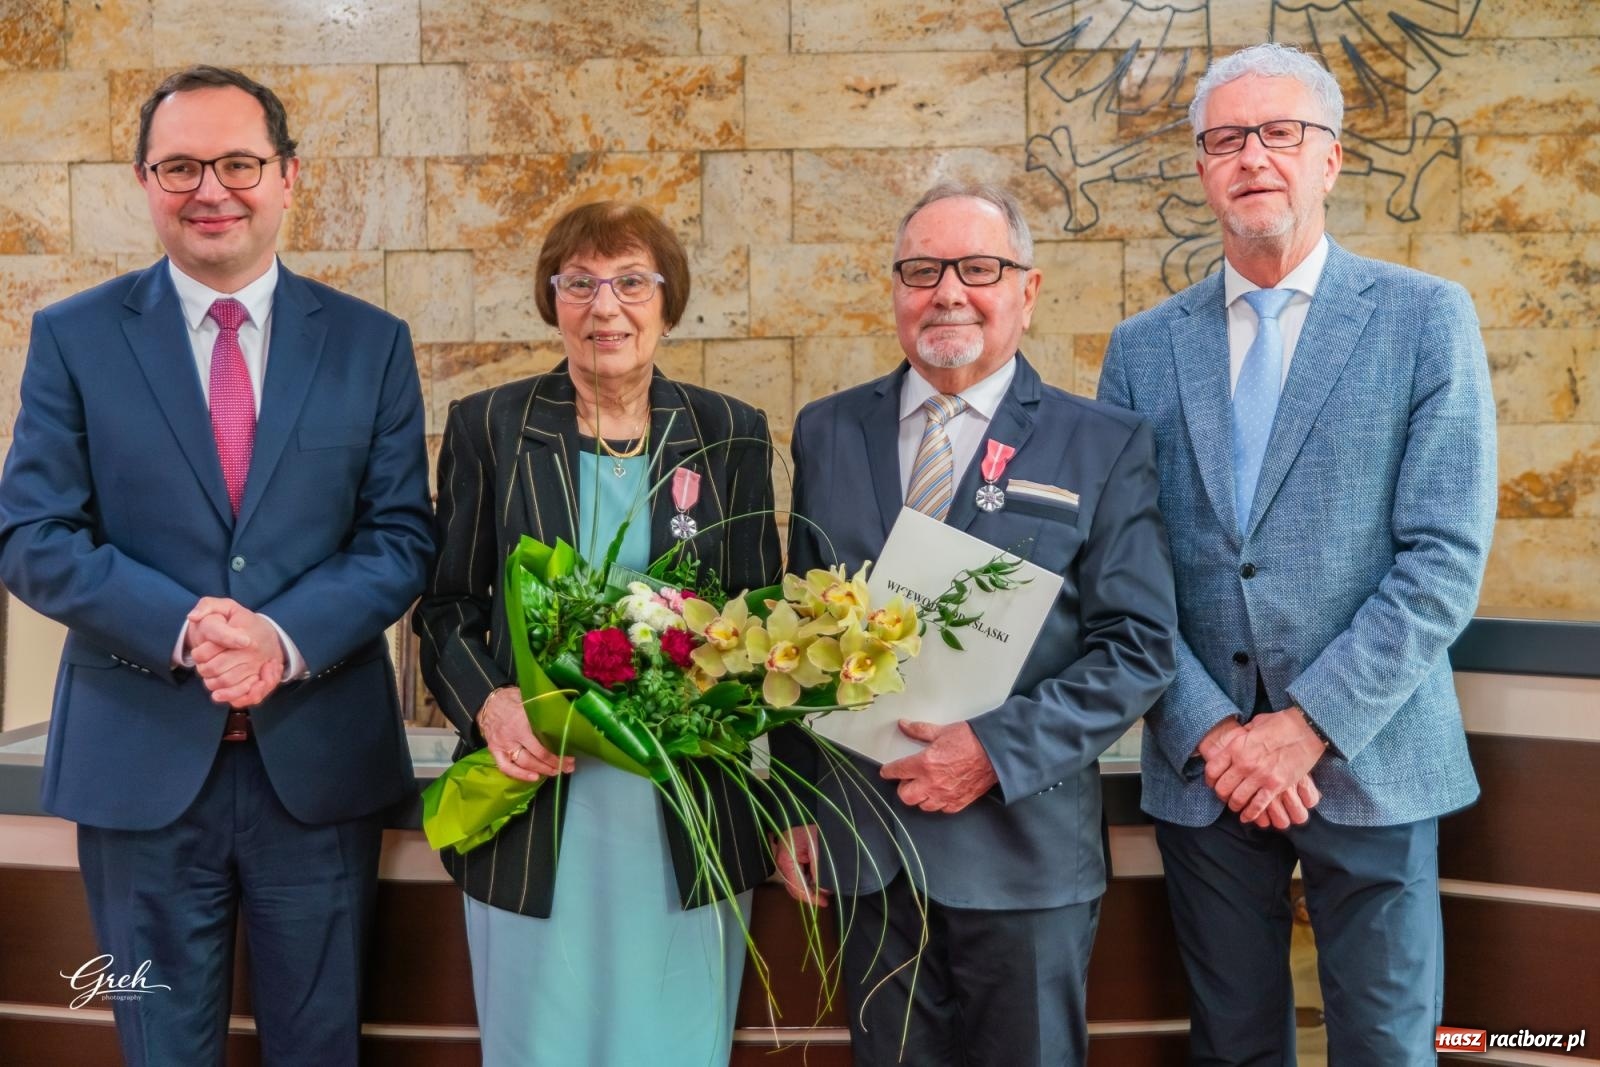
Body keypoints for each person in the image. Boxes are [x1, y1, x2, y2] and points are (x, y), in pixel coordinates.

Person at [0, 66, 433, 1065]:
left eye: (238, 162)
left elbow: (401, 535)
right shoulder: (74, 337)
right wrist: (187, 625)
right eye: (181, 164)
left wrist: (281, 638)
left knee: (319, 1045)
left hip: (317, 773)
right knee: (157, 1043)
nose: (212, 188)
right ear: (145, 181)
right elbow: (31, 532)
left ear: (288, 175)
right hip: (138, 772)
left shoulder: (370, 344)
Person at [1097, 42, 1497, 1066]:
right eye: (1226, 139)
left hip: (1370, 752)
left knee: (1386, 1045)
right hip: (1207, 765)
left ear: (1329, 158)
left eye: (1281, 133)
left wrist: (1305, 724)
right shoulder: (1141, 347)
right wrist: (1218, 734)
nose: (1253, 157)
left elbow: (1442, 556)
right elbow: (1122, 571)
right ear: (1199, 167)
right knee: (1232, 1045)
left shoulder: (1423, 318)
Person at [772, 182, 1178, 1065]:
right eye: (921, 270)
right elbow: (798, 629)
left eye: (978, 268)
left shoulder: (1101, 443)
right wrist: (799, 801)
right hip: (867, 852)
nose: (948, 291)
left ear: (1026, 292)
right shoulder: (828, 431)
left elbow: (1139, 648)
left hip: (1020, 855)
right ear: (895, 291)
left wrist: (993, 751)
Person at [413, 200, 781, 1066]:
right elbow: (444, 606)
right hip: (540, 799)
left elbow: (758, 618)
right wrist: (494, 708)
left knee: (674, 1040)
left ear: (668, 299)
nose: (604, 306)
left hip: (683, 803)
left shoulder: (728, 433)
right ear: (553, 301)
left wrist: (714, 692)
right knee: (543, 1040)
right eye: (578, 283)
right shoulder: (491, 426)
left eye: (629, 282)